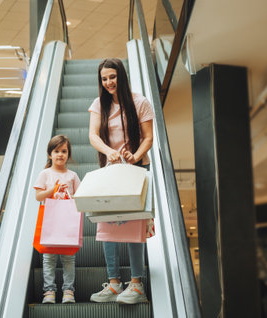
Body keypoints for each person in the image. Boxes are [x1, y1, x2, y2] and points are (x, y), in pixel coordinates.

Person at [88, 58, 154, 304]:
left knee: (134, 225)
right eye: (104, 79)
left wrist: (135, 157)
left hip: (137, 169)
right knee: (106, 225)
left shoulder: (140, 102)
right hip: (110, 169)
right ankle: (114, 283)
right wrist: (109, 152)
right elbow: (93, 135)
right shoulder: (98, 105)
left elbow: (148, 137)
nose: (108, 83)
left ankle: (137, 284)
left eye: (112, 77)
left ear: (121, 76)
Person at [34, 135, 81, 304]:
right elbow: (38, 196)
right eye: (56, 151)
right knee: (49, 257)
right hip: (50, 221)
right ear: (49, 154)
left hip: (67, 222)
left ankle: (69, 290)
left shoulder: (72, 175)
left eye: (64, 151)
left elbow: (79, 196)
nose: (60, 154)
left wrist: (70, 196)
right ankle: (49, 291)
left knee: (69, 258)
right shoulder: (45, 174)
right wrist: (53, 189)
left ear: (68, 154)